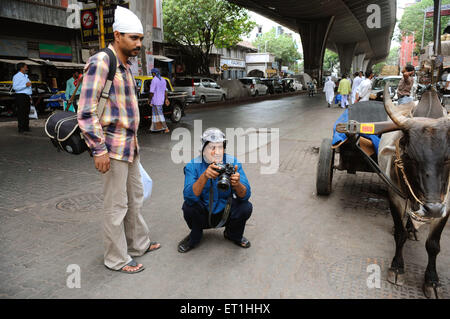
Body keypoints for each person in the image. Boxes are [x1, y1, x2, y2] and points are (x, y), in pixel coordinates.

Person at [77, 6, 160, 274]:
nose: (138, 44)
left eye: (140, 39)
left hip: (130, 146)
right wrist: (98, 150)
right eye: (133, 38)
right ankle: (116, 258)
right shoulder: (102, 61)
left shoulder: (127, 65)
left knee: (135, 197)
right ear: (117, 35)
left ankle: (138, 244)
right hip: (111, 148)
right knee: (116, 206)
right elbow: (86, 110)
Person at [178, 128, 253, 253]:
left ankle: (233, 234)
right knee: (189, 207)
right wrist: (204, 176)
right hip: (204, 212)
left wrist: (237, 184)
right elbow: (188, 197)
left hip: (226, 211)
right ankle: (195, 236)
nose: (217, 152)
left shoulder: (232, 162)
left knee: (246, 207)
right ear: (203, 149)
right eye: (212, 147)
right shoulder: (193, 165)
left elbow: (246, 195)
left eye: (220, 147)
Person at [12, 62, 32, 133]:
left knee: (27, 112)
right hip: (20, 96)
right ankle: (21, 128)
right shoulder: (16, 76)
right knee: (21, 113)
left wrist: (30, 96)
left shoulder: (26, 76)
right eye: (26, 67)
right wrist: (25, 85)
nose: (27, 68)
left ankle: (26, 127)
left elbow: (29, 87)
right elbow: (15, 88)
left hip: (27, 96)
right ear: (22, 68)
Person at [149, 68, 170, 133]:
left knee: (159, 115)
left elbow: (151, 92)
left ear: (154, 73)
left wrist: (149, 100)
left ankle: (166, 128)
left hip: (155, 100)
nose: (152, 74)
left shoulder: (154, 80)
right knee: (155, 115)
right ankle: (155, 128)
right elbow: (165, 91)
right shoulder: (163, 80)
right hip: (161, 100)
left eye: (152, 73)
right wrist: (166, 99)